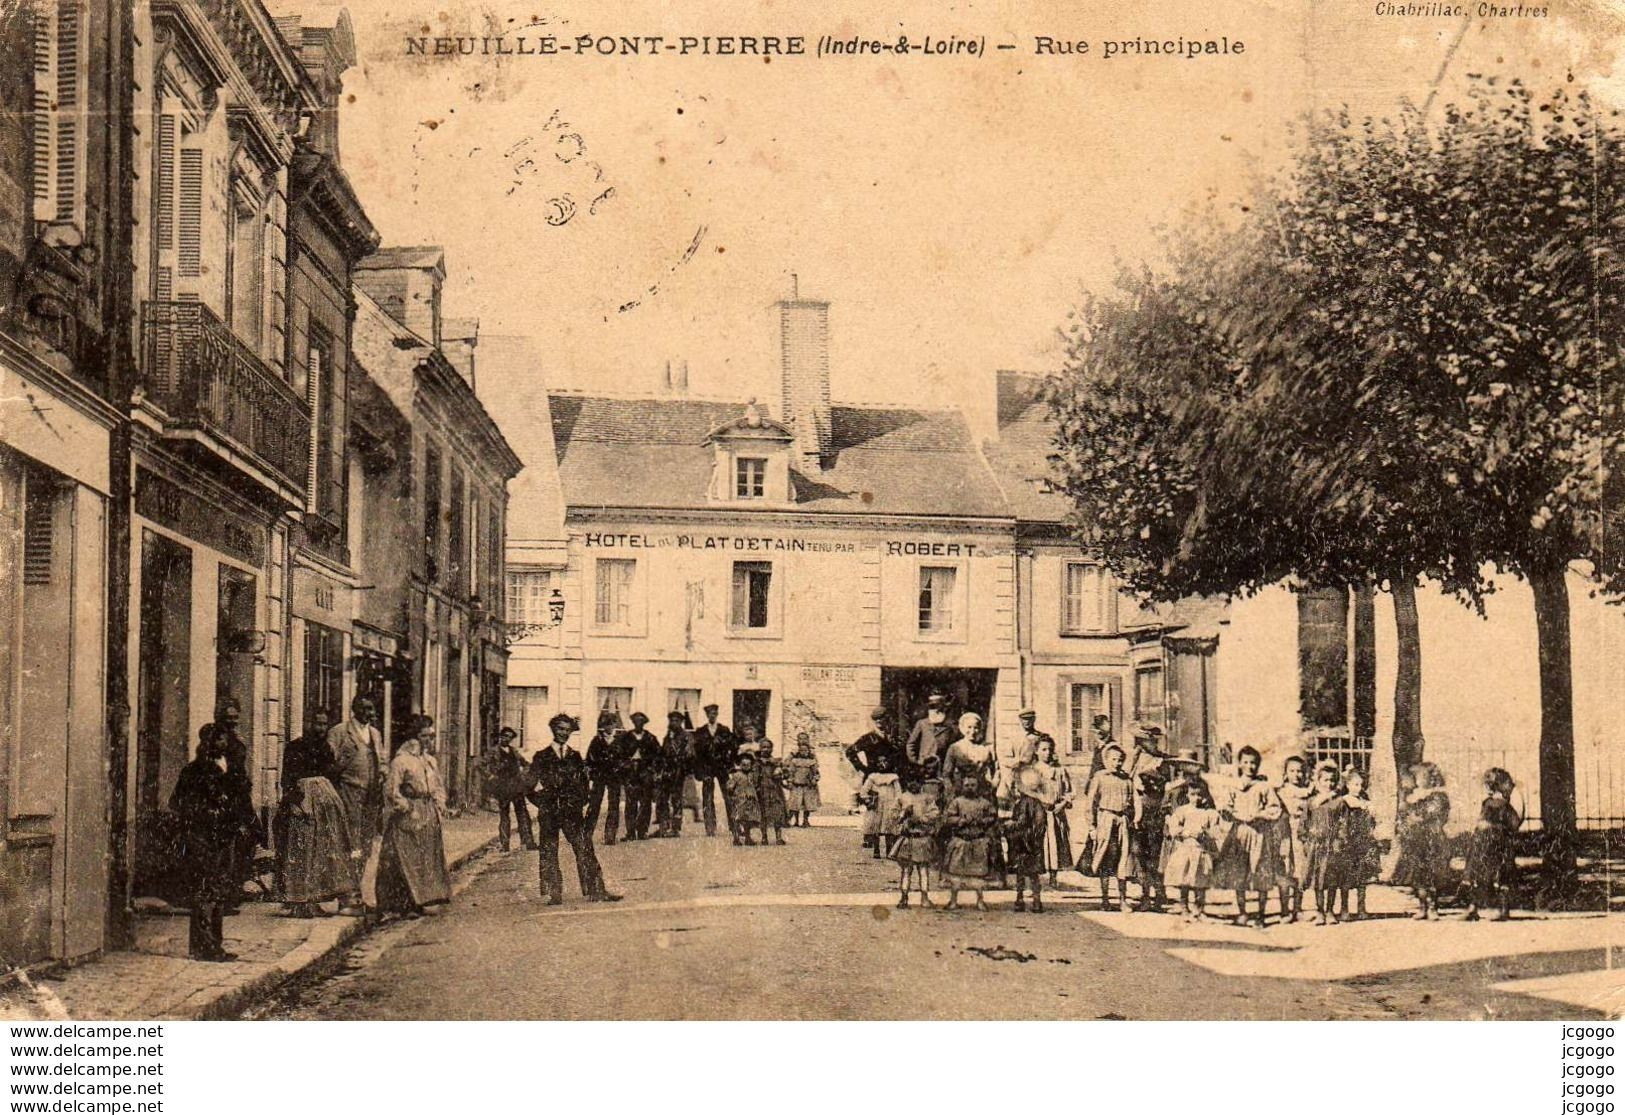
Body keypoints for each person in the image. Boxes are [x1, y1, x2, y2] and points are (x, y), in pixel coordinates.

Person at [527, 713, 621, 905]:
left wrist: (580, 802)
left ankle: (596, 890)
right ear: (553, 729)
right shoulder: (541, 756)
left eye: (567, 730)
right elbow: (529, 785)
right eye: (560, 729)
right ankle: (555, 893)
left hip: (572, 813)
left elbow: (584, 785)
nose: (564, 733)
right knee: (548, 850)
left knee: (584, 847)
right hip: (550, 812)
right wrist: (542, 802)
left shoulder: (575, 757)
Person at [170, 725, 242, 960]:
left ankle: (215, 945)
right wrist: (204, 814)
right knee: (203, 892)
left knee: (219, 892)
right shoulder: (194, 771)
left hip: (224, 837)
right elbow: (178, 802)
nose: (222, 744)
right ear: (207, 743)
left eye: (224, 739)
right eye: (218, 740)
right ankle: (203, 946)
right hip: (202, 838)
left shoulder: (230, 767)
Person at [276, 711, 355, 917]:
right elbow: (287, 779)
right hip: (303, 801)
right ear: (306, 723)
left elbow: (330, 774)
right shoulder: (294, 747)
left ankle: (314, 898)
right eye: (316, 723)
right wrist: (294, 803)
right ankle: (299, 901)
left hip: (325, 801)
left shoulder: (325, 748)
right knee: (302, 849)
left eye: (323, 724)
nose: (320, 728)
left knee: (322, 850)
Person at [375, 715, 451, 919]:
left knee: (425, 856)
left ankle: (425, 897)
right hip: (409, 813)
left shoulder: (430, 761)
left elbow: (437, 786)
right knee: (404, 858)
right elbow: (391, 790)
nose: (428, 740)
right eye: (424, 736)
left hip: (427, 812)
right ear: (413, 738)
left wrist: (439, 803)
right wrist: (405, 806)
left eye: (430, 736)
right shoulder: (401, 761)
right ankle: (405, 903)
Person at [1211, 745, 1285, 928]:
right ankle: (1242, 912)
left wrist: (1260, 815)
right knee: (1239, 871)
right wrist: (1227, 811)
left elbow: (1275, 808)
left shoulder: (1264, 787)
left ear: (1258, 765)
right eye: (1245, 762)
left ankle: (1260, 914)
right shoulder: (1233, 786)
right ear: (1240, 764)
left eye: (1253, 763)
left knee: (1260, 871)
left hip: (1259, 834)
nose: (1250, 766)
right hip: (1240, 832)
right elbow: (1226, 806)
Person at [329, 695, 388, 915]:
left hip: (371, 796)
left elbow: (382, 760)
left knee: (365, 844)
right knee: (350, 842)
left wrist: (383, 773)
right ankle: (348, 894)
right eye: (365, 709)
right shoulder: (340, 732)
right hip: (349, 793)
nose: (369, 713)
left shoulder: (374, 734)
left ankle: (359, 891)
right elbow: (331, 763)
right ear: (354, 709)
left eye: (372, 709)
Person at [214, 698, 261, 901]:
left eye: (235, 717)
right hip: (229, 800)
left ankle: (235, 887)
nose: (232, 721)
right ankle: (229, 892)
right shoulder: (218, 741)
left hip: (241, 799)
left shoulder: (235, 740)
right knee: (230, 847)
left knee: (252, 836)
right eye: (228, 718)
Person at [1080, 743, 1137, 910]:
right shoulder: (1099, 777)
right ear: (1105, 760)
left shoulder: (1126, 779)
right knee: (1105, 859)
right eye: (1113, 760)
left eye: (1120, 760)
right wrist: (1092, 827)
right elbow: (1090, 803)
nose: (1116, 763)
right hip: (1105, 819)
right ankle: (1105, 899)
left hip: (1123, 822)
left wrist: (1134, 818)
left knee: (1123, 859)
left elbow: (1134, 801)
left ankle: (1122, 899)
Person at [1392, 762, 1451, 920]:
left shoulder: (1437, 796)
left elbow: (1437, 814)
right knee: (1417, 874)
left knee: (1431, 873)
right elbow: (1404, 814)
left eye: (1421, 777)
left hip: (1432, 839)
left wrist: (1418, 818)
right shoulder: (1412, 795)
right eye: (1416, 777)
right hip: (1415, 840)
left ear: (1431, 779)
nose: (1417, 780)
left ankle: (1433, 906)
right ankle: (1422, 905)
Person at [1464, 767, 1521, 922]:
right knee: (1502, 876)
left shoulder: (1487, 803)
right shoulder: (1504, 805)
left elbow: (1480, 822)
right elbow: (1515, 823)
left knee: (1478, 875)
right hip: (1499, 845)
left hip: (1483, 844)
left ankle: (1473, 908)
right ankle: (1503, 909)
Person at [1162, 776, 1222, 922]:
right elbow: (1174, 827)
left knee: (1200, 881)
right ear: (1187, 795)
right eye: (1193, 794)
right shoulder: (1183, 810)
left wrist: (1205, 833)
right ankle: (1184, 907)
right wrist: (1186, 832)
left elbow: (1217, 831)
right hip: (1186, 849)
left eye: (1200, 794)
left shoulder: (1210, 813)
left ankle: (1199, 909)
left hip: (1201, 850)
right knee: (1184, 880)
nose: (1197, 798)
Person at [941, 773, 997, 911]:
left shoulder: (984, 803)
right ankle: (953, 901)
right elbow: (948, 818)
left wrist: (982, 821)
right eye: (967, 785)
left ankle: (980, 901)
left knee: (979, 874)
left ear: (978, 787)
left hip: (978, 841)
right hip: (961, 841)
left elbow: (993, 817)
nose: (970, 788)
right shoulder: (957, 802)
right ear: (962, 786)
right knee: (955, 873)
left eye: (973, 785)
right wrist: (960, 821)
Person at [1300, 762, 1346, 926]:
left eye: (1332, 780)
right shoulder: (1311, 802)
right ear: (1318, 781)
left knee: (1331, 879)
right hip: (1315, 845)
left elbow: (1343, 823)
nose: (1329, 784)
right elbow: (1304, 823)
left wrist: (1340, 840)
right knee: (1318, 880)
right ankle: (1319, 910)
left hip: (1331, 845)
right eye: (1325, 780)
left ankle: (1330, 910)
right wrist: (1305, 840)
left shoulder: (1339, 802)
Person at [1333, 766, 1380, 920]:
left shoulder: (1366, 803)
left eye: (1361, 785)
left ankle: (1361, 908)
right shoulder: (1344, 801)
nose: (1359, 788)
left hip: (1363, 843)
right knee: (1346, 877)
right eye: (1355, 785)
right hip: (1348, 842)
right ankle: (1344, 909)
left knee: (1362, 878)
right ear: (1347, 784)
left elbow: (1372, 822)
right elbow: (1340, 822)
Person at [892, 770, 941, 908]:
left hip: (922, 838)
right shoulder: (902, 798)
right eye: (911, 781)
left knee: (923, 870)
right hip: (908, 839)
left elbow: (935, 813)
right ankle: (904, 897)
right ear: (906, 783)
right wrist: (903, 814)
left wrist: (920, 819)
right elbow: (893, 816)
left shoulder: (927, 798)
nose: (914, 784)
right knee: (906, 870)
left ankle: (924, 897)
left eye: (917, 781)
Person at [1005, 767, 1051, 913]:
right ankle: (1037, 901)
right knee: (1034, 875)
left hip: (1023, 842)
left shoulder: (1024, 803)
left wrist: (1011, 824)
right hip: (1034, 843)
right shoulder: (1039, 804)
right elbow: (1040, 824)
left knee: (1020, 872)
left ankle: (1020, 899)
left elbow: (1022, 821)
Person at [1275, 754, 1314, 924]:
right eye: (1292, 771)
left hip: (1301, 833)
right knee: (1285, 869)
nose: (1296, 774)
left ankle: (1297, 908)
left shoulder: (1308, 793)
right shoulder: (1280, 792)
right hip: (1285, 832)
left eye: (1300, 771)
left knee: (1300, 869)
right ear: (1285, 773)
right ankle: (1284, 909)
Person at [486, 727, 536, 853]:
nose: (507, 739)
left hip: (517, 787)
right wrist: (490, 776)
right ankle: (505, 844)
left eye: (509, 737)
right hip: (502, 787)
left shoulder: (514, 751)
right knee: (504, 816)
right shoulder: (493, 751)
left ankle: (528, 842)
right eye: (505, 736)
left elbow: (526, 764)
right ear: (500, 737)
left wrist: (524, 775)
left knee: (523, 814)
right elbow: (481, 765)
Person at [1034, 736, 1075, 886]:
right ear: (1036, 751)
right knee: (1041, 843)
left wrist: (1062, 804)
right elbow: (1029, 792)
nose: (1047, 753)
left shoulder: (1060, 771)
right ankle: (1037, 876)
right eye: (1043, 749)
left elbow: (1069, 791)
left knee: (1056, 842)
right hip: (1039, 813)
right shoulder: (1033, 770)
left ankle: (1053, 876)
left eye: (1050, 749)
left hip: (1056, 812)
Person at [692, 704, 738, 837]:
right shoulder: (700, 732)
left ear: (717, 714)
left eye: (714, 713)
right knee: (707, 798)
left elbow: (733, 747)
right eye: (710, 714)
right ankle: (710, 828)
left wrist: (730, 763)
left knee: (729, 796)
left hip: (722, 767)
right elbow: (697, 754)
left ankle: (734, 825)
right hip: (707, 768)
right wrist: (700, 771)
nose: (712, 716)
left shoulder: (724, 730)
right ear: (707, 715)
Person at [584, 712, 627, 845]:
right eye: (606, 724)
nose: (609, 727)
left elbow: (625, 759)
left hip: (614, 777)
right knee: (594, 804)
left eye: (611, 724)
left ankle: (610, 835)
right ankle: (586, 835)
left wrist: (620, 768)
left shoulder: (620, 740)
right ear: (602, 726)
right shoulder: (596, 740)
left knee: (613, 805)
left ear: (615, 725)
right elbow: (589, 758)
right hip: (600, 776)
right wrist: (593, 771)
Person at [621, 712, 660, 840]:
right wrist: (625, 765)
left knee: (645, 802)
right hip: (630, 772)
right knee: (631, 802)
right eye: (636, 721)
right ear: (633, 723)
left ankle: (642, 831)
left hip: (645, 773)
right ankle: (630, 832)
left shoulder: (650, 738)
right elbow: (618, 754)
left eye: (641, 722)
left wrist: (651, 769)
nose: (638, 724)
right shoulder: (625, 738)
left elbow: (658, 755)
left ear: (644, 723)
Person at [860, 752, 903, 858]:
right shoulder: (873, 777)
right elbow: (863, 792)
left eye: (885, 761)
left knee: (889, 828)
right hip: (877, 806)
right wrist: (869, 800)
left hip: (890, 805)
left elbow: (898, 792)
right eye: (879, 762)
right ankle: (876, 849)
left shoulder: (893, 778)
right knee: (876, 827)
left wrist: (897, 803)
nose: (882, 764)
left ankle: (889, 850)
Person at [940, 712, 995, 794]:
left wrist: (993, 784)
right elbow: (946, 774)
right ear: (962, 728)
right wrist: (950, 789)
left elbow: (994, 770)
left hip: (981, 791)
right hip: (960, 790)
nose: (972, 731)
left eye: (975, 727)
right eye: (969, 727)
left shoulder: (986, 748)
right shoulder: (955, 748)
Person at [904, 693, 960, 773]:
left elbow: (956, 747)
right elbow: (911, 744)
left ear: (944, 708)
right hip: (924, 766)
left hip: (943, 767)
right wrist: (916, 761)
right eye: (932, 707)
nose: (936, 710)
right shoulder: (922, 724)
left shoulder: (950, 726)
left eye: (939, 707)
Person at [658, 710, 694, 838]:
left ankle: (675, 827)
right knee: (663, 798)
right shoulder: (668, 736)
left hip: (679, 771)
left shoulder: (686, 736)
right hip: (667, 771)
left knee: (677, 799)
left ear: (681, 722)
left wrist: (682, 764)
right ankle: (664, 827)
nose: (674, 723)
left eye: (676, 721)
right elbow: (663, 753)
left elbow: (690, 754)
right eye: (672, 720)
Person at [752, 728, 790, 845]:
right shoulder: (757, 763)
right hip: (762, 791)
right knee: (763, 814)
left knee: (777, 813)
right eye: (763, 747)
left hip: (775, 790)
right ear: (760, 749)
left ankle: (778, 837)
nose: (766, 749)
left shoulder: (776, 762)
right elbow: (754, 777)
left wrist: (781, 774)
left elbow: (785, 774)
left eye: (768, 747)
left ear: (772, 749)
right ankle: (764, 837)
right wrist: (755, 787)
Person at [783, 733, 821, 827]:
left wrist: (814, 779)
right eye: (800, 739)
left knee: (807, 803)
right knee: (795, 803)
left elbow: (816, 770)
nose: (803, 741)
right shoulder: (794, 755)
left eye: (805, 739)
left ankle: (805, 820)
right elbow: (788, 766)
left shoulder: (812, 755)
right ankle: (795, 820)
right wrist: (789, 780)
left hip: (808, 785)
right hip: (797, 783)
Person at [727, 752, 763, 846]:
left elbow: (755, 785)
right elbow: (730, 785)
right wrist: (731, 790)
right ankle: (736, 838)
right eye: (743, 765)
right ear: (740, 765)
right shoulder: (737, 775)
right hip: (740, 800)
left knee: (748, 820)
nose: (746, 767)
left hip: (750, 800)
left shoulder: (752, 775)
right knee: (737, 819)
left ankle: (748, 838)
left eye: (748, 765)